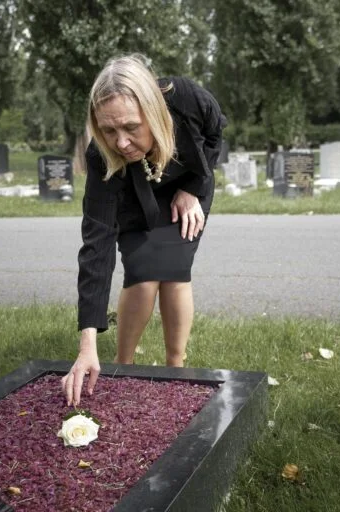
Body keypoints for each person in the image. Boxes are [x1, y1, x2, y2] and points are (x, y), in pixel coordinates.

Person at [62, 54, 225, 406]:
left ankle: (176, 367)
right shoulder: (102, 156)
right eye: (108, 130)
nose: (120, 142)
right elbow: (97, 243)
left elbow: (216, 131)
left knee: (174, 267)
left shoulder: (186, 99)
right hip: (134, 195)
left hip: (186, 186)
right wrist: (87, 344)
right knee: (142, 270)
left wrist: (193, 188)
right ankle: (123, 365)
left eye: (131, 127)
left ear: (152, 110)